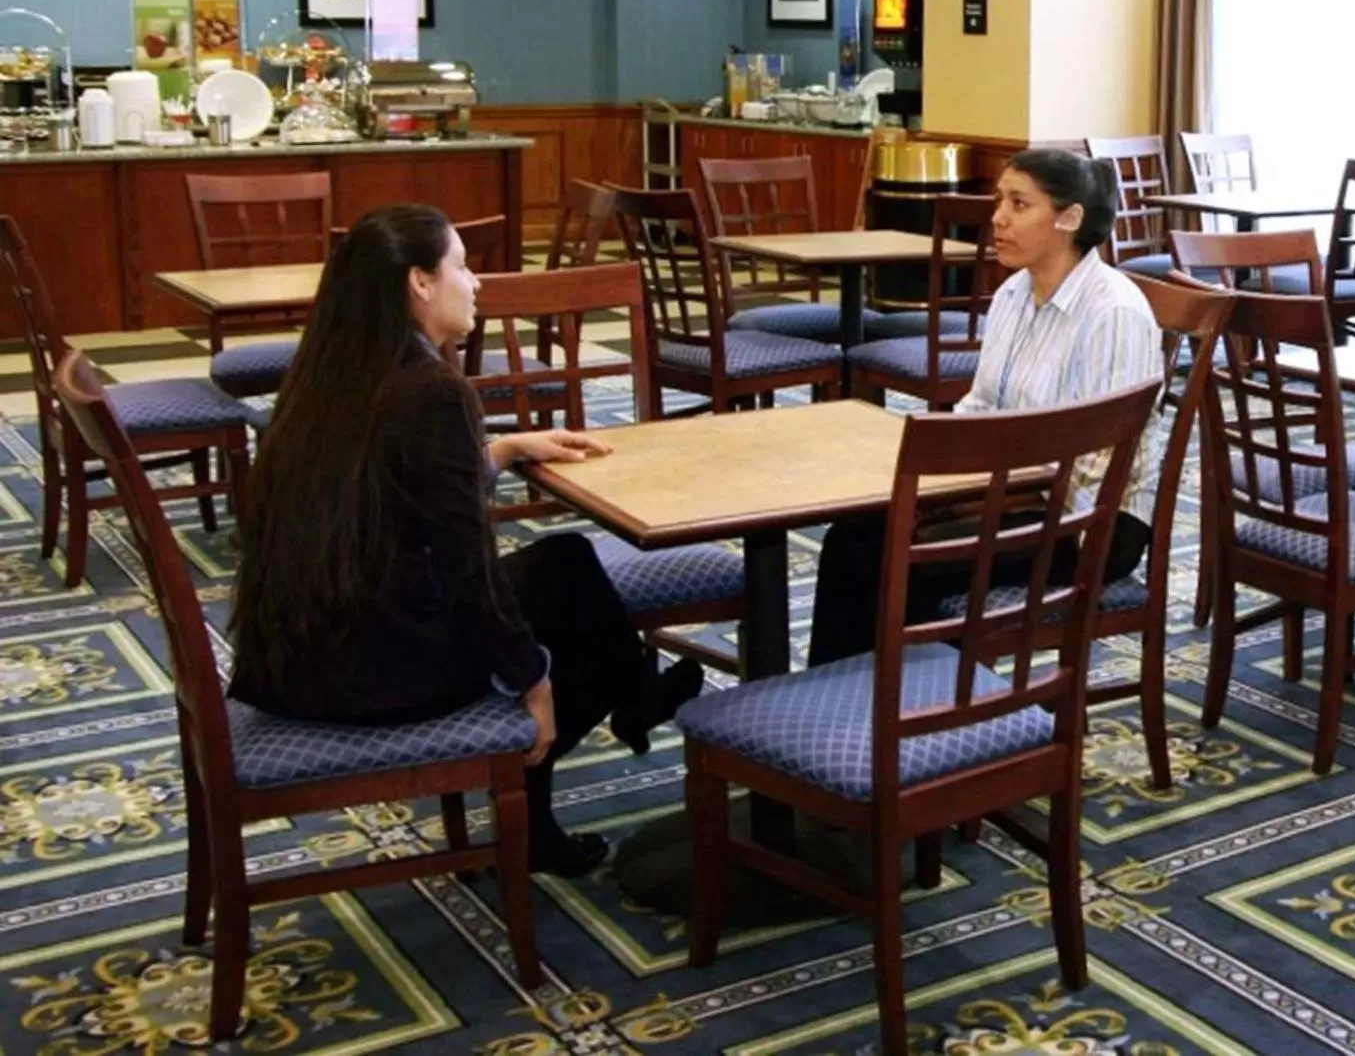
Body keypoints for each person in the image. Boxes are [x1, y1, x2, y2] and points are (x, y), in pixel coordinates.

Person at [228, 204, 702, 877]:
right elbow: (464, 569)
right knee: (559, 611)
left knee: (563, 564)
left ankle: (610, 728)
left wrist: (501, 449)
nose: (475, 281)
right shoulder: (431, 390)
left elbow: (390, 485)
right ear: (420, 282)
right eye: (462, 265)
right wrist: (530, 678)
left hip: (296, 658)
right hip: (370, 676)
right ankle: (618, 713)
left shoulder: (329, 373)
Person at [808, 149, 1166, 663]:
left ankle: (912, 709)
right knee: (855, 537)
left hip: (1088, 523)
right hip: (1013, 493)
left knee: (891, 555)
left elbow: (1096, 467)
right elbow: (980, 407)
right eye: (1001, 200)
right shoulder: (1013, 295)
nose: (997, 217)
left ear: (1069, 218)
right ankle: (867, 708)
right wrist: (943, 483)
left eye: (1019, 204)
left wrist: (974, 503)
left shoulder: (1114, 312)